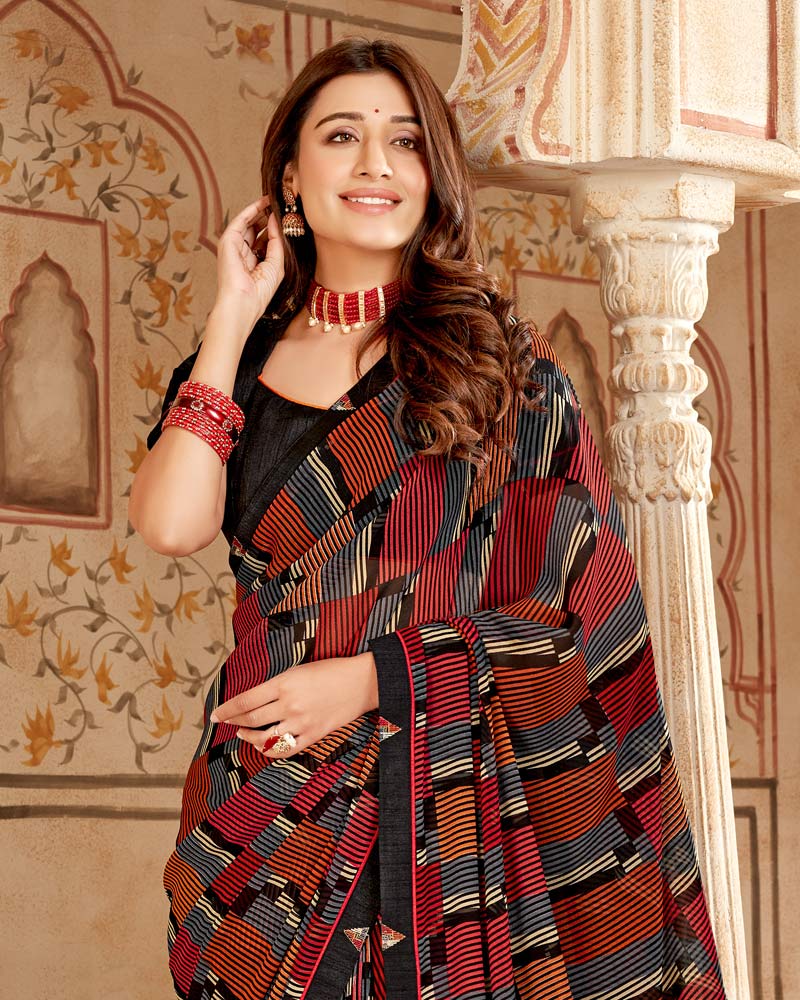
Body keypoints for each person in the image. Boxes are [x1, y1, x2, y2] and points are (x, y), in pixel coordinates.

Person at [129, 36, 727, 1000]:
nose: (375, 164)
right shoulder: (236, 362)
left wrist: (377, 678)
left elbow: (577, 616)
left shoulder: (499, 371)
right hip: (266, 812)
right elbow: (170, 524)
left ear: (432, 175)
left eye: (405, 142)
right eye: (342, 136)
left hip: (455, 813)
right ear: (290, 175)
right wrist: (232, 315)